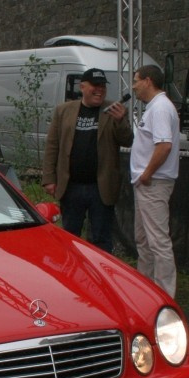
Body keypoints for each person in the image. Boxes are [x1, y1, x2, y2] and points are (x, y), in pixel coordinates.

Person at [42, 68, 133, 253]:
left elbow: (128, 141)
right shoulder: (63, 110)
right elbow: (52, 145)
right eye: (95, 86)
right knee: (70, 236)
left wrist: (120, 121)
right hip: (71, 186)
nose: (99, 90)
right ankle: (71, 267)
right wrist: (49, 178)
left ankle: (99, 269)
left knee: (101, 238)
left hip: (101, 187)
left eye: (103, 86)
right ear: (82, 87)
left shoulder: (113, 110)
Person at [130, 64, 181, 297]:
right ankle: (145, 289)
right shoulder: (155, 107)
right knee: (144, 240)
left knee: (158, 241)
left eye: (136, 81)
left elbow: (164, 146)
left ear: (148, 81)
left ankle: (164, 295)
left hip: (154, 183)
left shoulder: (160, 107)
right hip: (147, 183)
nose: (133, 86)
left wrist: (147, 173)